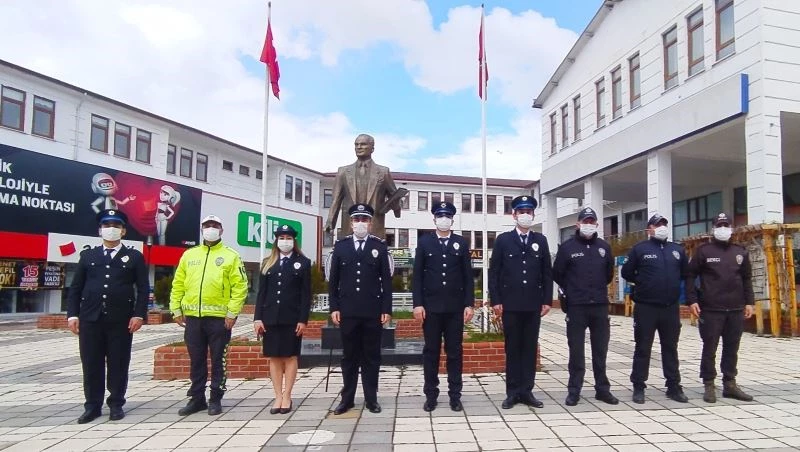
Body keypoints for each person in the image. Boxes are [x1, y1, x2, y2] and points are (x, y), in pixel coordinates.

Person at [67, 209, 149, 424]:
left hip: (121, 320)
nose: (110, 229)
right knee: (91, 363)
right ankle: (92, 406)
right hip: (90, 319)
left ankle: (116, 404)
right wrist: (72, 315)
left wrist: (139, 315)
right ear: (99, 230)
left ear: (123, 231)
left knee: (118, 363)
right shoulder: (88, 255)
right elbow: (75, 288)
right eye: (106, 225)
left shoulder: (134, 256)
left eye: (116, 225)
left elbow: (142, 287)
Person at [170, 214, 248, 416]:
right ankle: (196, 399)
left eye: (215, 225)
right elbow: (178, 283)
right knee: (196, 360)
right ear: (201, 229)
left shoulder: (231, 256)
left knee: (218, 360)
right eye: (207, 225)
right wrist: (176, 309)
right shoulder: (189, 255)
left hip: (219, 319)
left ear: (221, 230)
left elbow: (240, 287)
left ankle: (215, 398)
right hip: (193, 318)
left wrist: (232, 313)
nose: (210, 228)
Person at [328, 203, 393, 415]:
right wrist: (334, 307)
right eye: (357, 220)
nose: (361, 224)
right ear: (351, 223)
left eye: (364, 220)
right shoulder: (341, 246)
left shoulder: (379, 246)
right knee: (349, 357)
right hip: (347, 311)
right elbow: (334, 281)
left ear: (371, 223)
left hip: (372, 311)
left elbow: (386, 281)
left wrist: (386, 308)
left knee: (371, 357)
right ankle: (347, 400)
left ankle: (371, 399)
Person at [488, 195, 552, 409]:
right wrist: (495, 300)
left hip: (533, 304)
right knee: (513, 348)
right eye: (521, 211)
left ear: (533, 214)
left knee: (529, 347)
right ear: (514, 214)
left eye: (529, 211)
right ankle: (513, 392)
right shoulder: (503, 240)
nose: (525, 215)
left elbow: (546, 272)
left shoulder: (540, 240)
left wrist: (547, 300)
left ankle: (527, 391)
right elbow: (494, 271)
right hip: (510, 304)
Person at [553, 207, 619, 407]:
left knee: (600, 350)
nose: (588, 225)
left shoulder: (603, 247)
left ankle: (602, 390)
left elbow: (609, 274)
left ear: (597, 224)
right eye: (585, 221)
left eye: (592, 222)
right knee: (576, 351)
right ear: (578, 224)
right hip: (577, 306)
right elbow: (557, 274)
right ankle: (574, 390)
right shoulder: (567, 247)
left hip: (599, 305)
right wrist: (572, 291)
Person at [686, 212, 755, 403]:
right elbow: (690, 276)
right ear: (713, 229)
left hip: (735, 309)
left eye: (726, 225)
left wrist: (750, 302)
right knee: (710, 347)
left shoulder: (740, 251)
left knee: (732, 348)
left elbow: (747, 278)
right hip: (710, 309)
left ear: (731, 229)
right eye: (720, 225)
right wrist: (692, 300)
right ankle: (709, 384)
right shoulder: (703, 251)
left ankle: (730, 383)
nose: (723, 229)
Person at [412, 201, 474, 412]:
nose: (444, 219)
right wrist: (418, 304)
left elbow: (468, 277)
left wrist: (469, 304)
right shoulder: (424, 242)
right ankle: (431, 395)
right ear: (434, 219)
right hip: (431, 309)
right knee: (431, 352)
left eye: (447, 216)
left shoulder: (461, 243)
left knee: (455, 352)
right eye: (440, 216)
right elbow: (417, 277)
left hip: (455, 309)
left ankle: (455, 395)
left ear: (452, 220)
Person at [621, 214, 689, 404]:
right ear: (649, 229)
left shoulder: (677, 250)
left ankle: (674, 386)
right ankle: (639, 386)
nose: (661, 228)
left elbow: (685, 273)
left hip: (670, 308)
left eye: (664, 225)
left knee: (670, 348)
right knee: (643, 348)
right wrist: (642, 283)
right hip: (646, 307)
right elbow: (627, 272)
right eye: (657, 225)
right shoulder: (640, 249)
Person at [254, 224, 311, 415]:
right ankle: (277, 395)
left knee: (290, 356)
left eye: (288, 238)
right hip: (270, 318)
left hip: (292, 318)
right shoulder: (267, 263)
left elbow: (305, 295)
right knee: (274, 357)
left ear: (294, 241)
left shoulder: (302, 262)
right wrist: (257, 319)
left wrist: (303, 320)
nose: (285, 241)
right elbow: (261, 294)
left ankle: (287, 395)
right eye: (281, 237)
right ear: (276, 241)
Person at [324, 133, 403, 239]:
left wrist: (396, 205)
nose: (359, 147)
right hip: (349, 228)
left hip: (374, 228)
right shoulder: (343, 172)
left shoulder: (383, 172)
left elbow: (395, 197)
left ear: (372, 148)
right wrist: (330, 222)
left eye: (363, 144)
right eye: (356, 145)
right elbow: (336, 200)